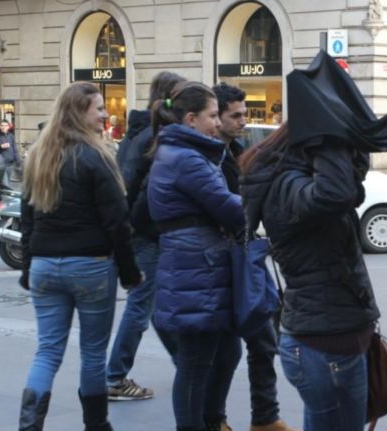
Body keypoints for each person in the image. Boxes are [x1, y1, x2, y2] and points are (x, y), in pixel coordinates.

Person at [17, 81, 143, 431]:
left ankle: (29, 426)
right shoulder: (96, 157)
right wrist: (131, 274)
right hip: (90, 266)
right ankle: (97, 426)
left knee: (47, 351)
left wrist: (29, 268)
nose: (106, 114)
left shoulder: (39, 156)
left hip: (44, 265)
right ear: (79, 113)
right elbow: (118, 222)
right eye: (99, 108)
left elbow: (27, 221)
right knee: (92, 354)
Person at [239, 123, 379, 430]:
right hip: (323, 345)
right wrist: (330, 137)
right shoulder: (289, 184)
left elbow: (350, 184)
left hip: (334, 338)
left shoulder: (300, 178)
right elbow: (335, 192)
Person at [147, 81, 244, 431]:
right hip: (195, 268)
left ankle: (212, 420)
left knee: (226, 352)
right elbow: (228, 207)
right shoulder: (187, 158)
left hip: (197, 265)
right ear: (191, 119)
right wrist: (262, 204)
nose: (217, 123)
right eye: (213, 115)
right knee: (196, 362)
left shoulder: (183, 153)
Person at [213, 82, 296, 431]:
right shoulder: (205, 158)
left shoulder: (235, 153)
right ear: (213, 118)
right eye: (235, 116)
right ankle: (215, 418)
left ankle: (264, 416)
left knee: (263, 340)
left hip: (243, 260)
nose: (242, 121)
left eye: (244, 115)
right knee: (225, 351)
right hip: (223, 265)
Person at [106, 71, 185, 401]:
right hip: (143, 233)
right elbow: (143, 189)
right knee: (142, 305)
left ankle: (184, 361)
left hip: (133, 230)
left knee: (153, 304)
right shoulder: (155, 135)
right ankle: (115, 376)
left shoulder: (137, 131)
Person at [0, 119, 19, 210]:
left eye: (5, 125)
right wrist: (0, 147)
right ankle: (4, 204)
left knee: (4, 185)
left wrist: (17, 160)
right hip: (1, 164)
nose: (3, 127)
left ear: (8, 127)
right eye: (2, 125)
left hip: (10, 164)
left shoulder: (11, 136)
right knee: (5, 185)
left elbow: (14, 149)